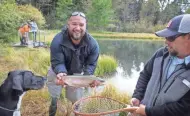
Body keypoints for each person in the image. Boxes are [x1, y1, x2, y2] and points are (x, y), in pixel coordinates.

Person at [129, 14, 190, 116]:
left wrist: (148, 112)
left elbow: (184, 107)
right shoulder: (160, 54)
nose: (166, 41)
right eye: (166, 37)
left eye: (171, 37)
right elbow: (145, 75)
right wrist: (137, 96)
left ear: (188, 37)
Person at [47, 11, 100, 116]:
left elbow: (91, 65)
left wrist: (87, 79)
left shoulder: (93, 44)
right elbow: (58, 62)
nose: (77, 28)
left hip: (77, 74)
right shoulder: (57, 40)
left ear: (85, 26)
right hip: (57, 72)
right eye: (74, 24)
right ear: (68, 24)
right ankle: (52, 112)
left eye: (81, 25)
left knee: (76, 102)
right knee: (54, 98)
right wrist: (61, 72)